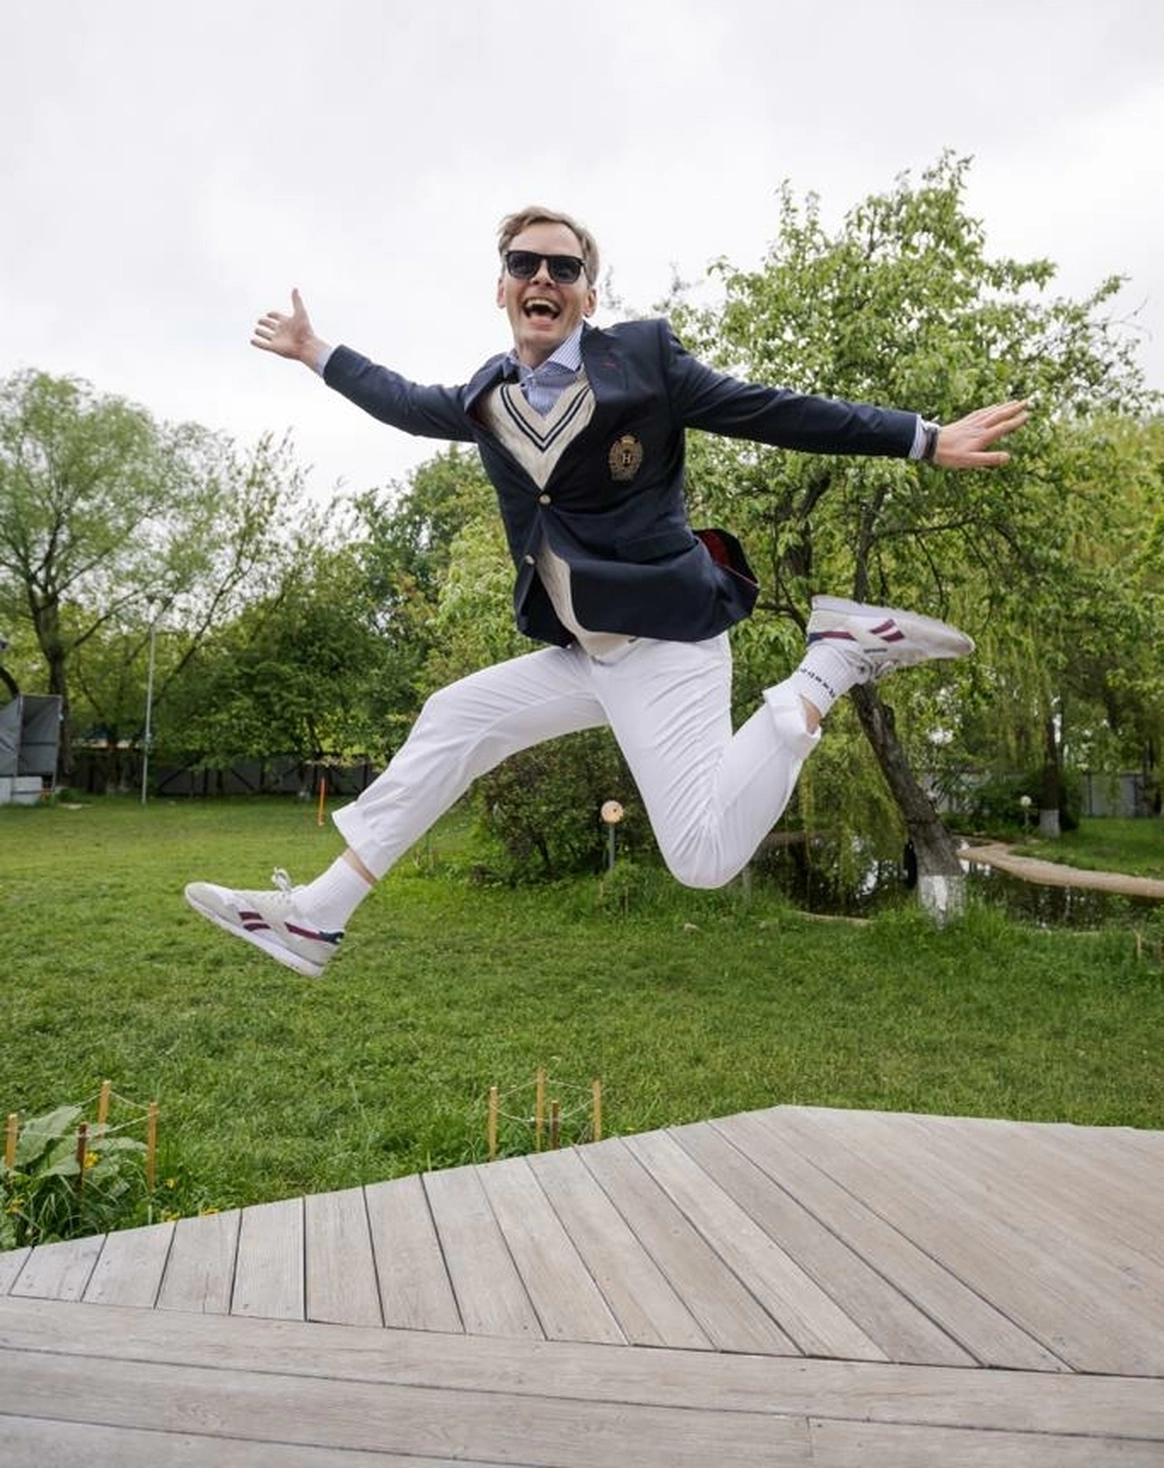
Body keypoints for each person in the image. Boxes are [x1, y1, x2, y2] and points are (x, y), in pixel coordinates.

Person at [186, 205, 1028, 977]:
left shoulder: (646, 363)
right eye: (525, 264)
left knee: (702, 860)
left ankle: (831, 662)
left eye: (564, 268)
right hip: (587, 648)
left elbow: (773, 410)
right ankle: (318, 917)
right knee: (456, 717)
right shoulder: (487, 396)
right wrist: (316, 352)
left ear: (588, 295)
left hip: (666, 639)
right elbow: (404, 402)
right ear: (502, 288)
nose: (543, 278)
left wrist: (920, 438)